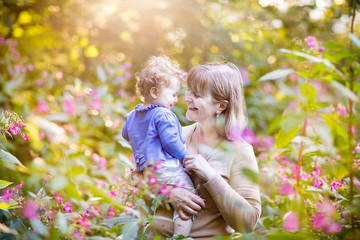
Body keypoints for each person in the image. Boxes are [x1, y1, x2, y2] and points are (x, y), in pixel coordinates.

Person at [145, 62, 261, 239]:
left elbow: (248, 222)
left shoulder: (240, 151)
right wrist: (170, 193)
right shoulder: (175, 135)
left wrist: (211, 176)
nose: (186, 98)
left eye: (197, 94)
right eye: (189, 90)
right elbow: (140, 181)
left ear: (221, 106)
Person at [121, 55, 196, 237]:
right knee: (188, 196)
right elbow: (171, 142)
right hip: (165, 167)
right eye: (173, 94)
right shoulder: (163, 114)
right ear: (154, 92)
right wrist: (185, 158)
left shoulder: (132, 116)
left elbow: (125, 134)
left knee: (147, 207)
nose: (176, 100)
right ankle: (180, 236)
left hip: (146, 171)